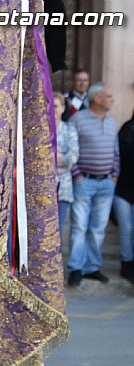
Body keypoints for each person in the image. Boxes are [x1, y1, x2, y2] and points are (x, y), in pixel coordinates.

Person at [67, 83, 120, 286]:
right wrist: (78, 176)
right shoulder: (78, 119)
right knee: (79, 226)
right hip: (84, 181)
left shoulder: (111, 121)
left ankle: (92, 267)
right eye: (109, 96)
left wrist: (114, 176)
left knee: (98, 228)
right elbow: (71, 149)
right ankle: (75, 268)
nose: (112, 100)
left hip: (106, 183)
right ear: (97, 98)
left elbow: (115, 152)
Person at [53, 92, 79, 238]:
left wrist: (53, 157)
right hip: (41, 188)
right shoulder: (40, 131)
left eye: (55, 106)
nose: (52, 109)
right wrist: (61, 157)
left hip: (63, 189)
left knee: (58, 231)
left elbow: (73, 157)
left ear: (63, 108)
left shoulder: (69, 130)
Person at [114, 109, 134, 284]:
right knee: (126, 228)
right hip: (124, 189)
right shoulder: (128, 129)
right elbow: (123, 155)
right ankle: (126, 262)